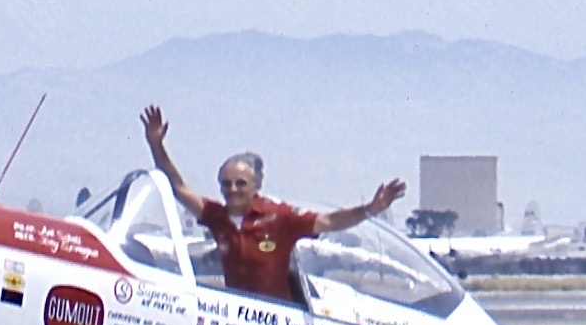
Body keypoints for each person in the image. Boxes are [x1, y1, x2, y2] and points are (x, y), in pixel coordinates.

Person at [140, 104, 407, 303]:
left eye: (241, 183)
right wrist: (156, 145)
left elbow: (329, 222)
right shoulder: (215, 216)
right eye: (226, 184)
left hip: (279, 321)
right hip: (237, 315)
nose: (233, 190)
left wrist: (370, 209)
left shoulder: (280, 217)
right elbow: (178, 187)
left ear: (256, 186)